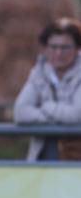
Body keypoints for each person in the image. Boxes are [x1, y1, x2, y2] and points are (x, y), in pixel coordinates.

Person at [14, 18, 81, 161]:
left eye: (65, 47)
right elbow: (20, 112)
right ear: (45, 48)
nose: (58, 53)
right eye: (53, 47)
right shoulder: (38, 73)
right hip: (44, 160)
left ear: (77, 49)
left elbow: (77, 114)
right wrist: (57, 119)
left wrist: (47, 107)